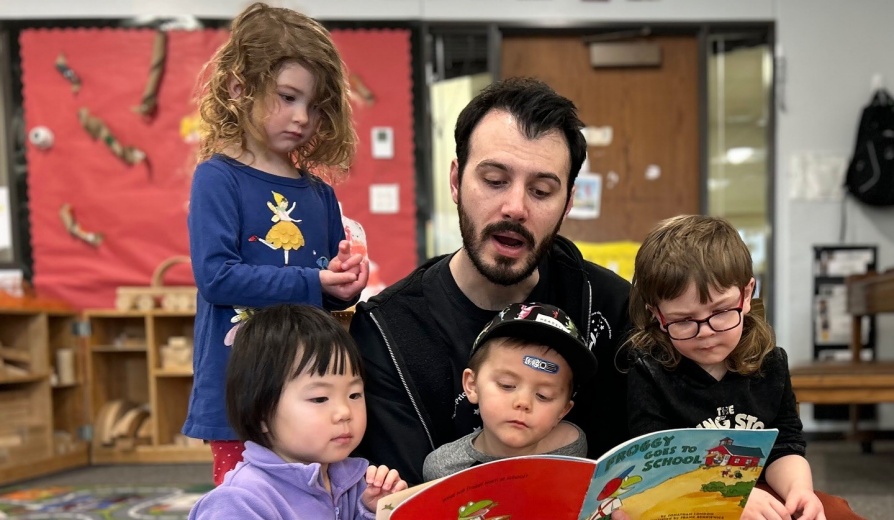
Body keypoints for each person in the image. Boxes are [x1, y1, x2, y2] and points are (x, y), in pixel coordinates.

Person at [350, 77, 632, 485]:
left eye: (541, 190)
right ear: (455, 181)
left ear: (568, 203)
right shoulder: (387, 334)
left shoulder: (610, 306)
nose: (515, 207)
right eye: (495, 181)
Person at [183, 2, 369, 486]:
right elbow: (216, 277)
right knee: (248, 504)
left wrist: (344, 286)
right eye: (287, 97)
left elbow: (324, 292)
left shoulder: (320, 194)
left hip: (312, 393)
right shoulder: (217, 178)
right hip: (241, 393)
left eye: (314, 105)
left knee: (318, 499)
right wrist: (315, 280)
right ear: (238, 88)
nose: (302, 117)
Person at [625, 214, 862, 520]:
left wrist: (799, 491)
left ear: (747, 294)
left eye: (721, 311)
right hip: (683, 497)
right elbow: (654, 467)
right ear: (657, 315)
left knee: (835, 512)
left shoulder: (771, 363)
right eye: (683, 320)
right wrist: (727, 499)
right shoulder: (648, 369)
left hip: (758, 491)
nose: (706, 332)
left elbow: (784, 445)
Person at [188, 304, 407, 519]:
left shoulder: (355, 482)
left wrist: (373, 511)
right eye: (319, 398)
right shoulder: (238, 502)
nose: (344, 412)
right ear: (261, 413)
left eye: (354, 395)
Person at [423, 302, 597, 481]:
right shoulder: (444, 469)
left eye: (543, 395)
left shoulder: (571, 447)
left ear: (563, 411)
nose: (523, 402)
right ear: (472, 385)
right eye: (507, 385)